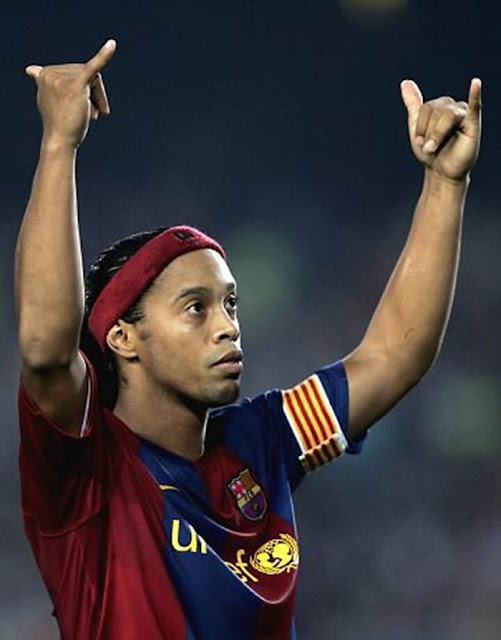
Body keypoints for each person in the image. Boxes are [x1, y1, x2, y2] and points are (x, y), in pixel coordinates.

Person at [15, 39, 481, 640]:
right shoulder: (87, 468)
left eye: (230, 303)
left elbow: (394, 357)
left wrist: (444, 183)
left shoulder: (263, 442)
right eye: (196, 307)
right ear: (125, 338)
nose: (228, 325)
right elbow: (46, 350)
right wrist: (59, 144)